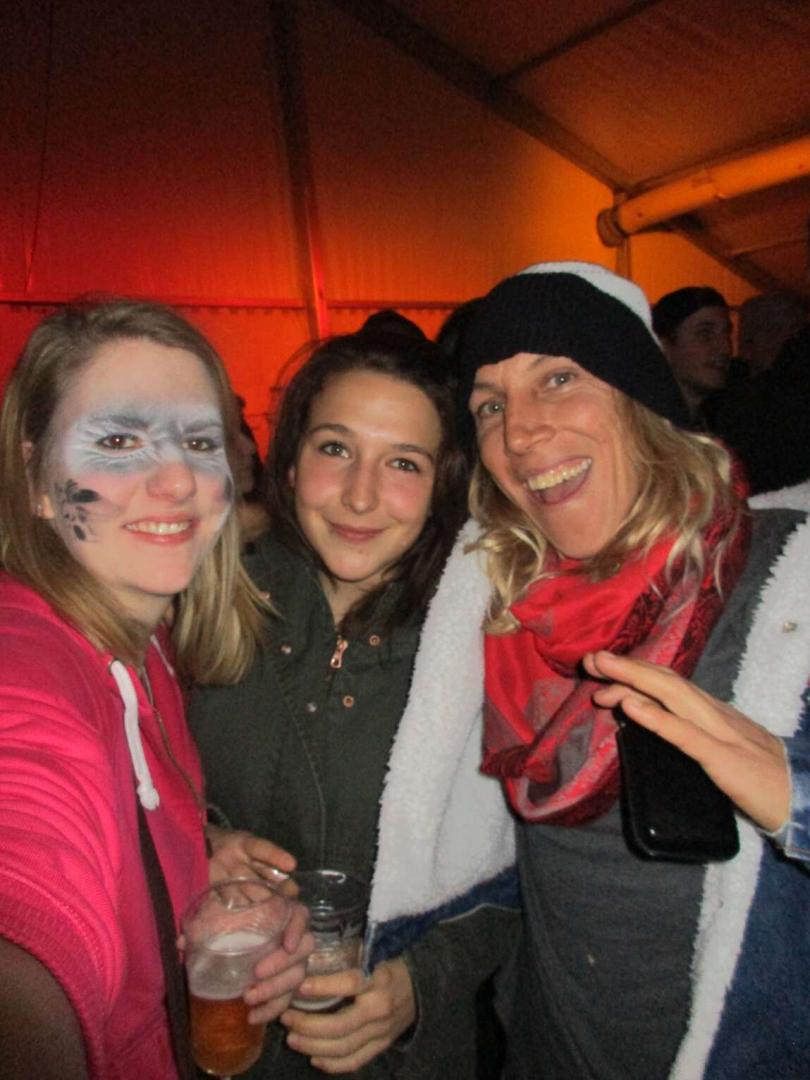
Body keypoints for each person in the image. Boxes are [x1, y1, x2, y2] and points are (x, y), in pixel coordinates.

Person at [406, 260, 809, 1078]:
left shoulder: (788, 578)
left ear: (639, 397)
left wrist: (794, 796)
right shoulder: (501, 610)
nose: (519, 432)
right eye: (490, 405)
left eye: (557, 379)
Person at [190, 329, 518, 1078]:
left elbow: (525, 875)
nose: (361, 495)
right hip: (216, 1035)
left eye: (403, 463)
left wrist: (417, 985)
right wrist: (197, 844)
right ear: (290, 461)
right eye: (335, 448)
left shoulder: (488, 640)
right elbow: (121, 792)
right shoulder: (204, 597)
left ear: (444, 483)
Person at [0, 300, 311, 1080]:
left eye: (199, 442)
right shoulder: (28, 667)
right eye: (116, 441)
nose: (176, 480)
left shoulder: (152, 644)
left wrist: (195, 857)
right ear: (37, 479)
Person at [652, 285, 733, 425]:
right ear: (665, 347)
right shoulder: (647, 427)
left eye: (726, 334)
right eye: (705, 334)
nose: (726, 348)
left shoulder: (723, 420)